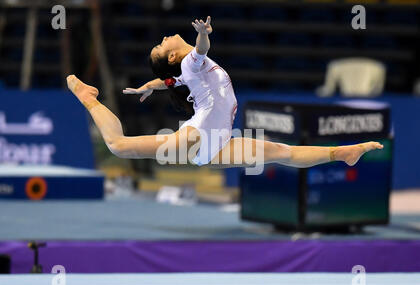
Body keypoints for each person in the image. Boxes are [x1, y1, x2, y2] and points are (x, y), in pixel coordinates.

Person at [67, 16, 383, 170]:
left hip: (218, 143)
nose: (165, 37)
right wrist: (202, 35)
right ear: (175, 57)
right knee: (119, 146)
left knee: (282, 152)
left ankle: (341, 152)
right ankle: (89, 97)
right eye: (162, 46)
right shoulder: (192, 62)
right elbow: (199, 53)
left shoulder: (187, 74)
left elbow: (171, 82)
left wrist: (151, 86)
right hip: (199, 137)